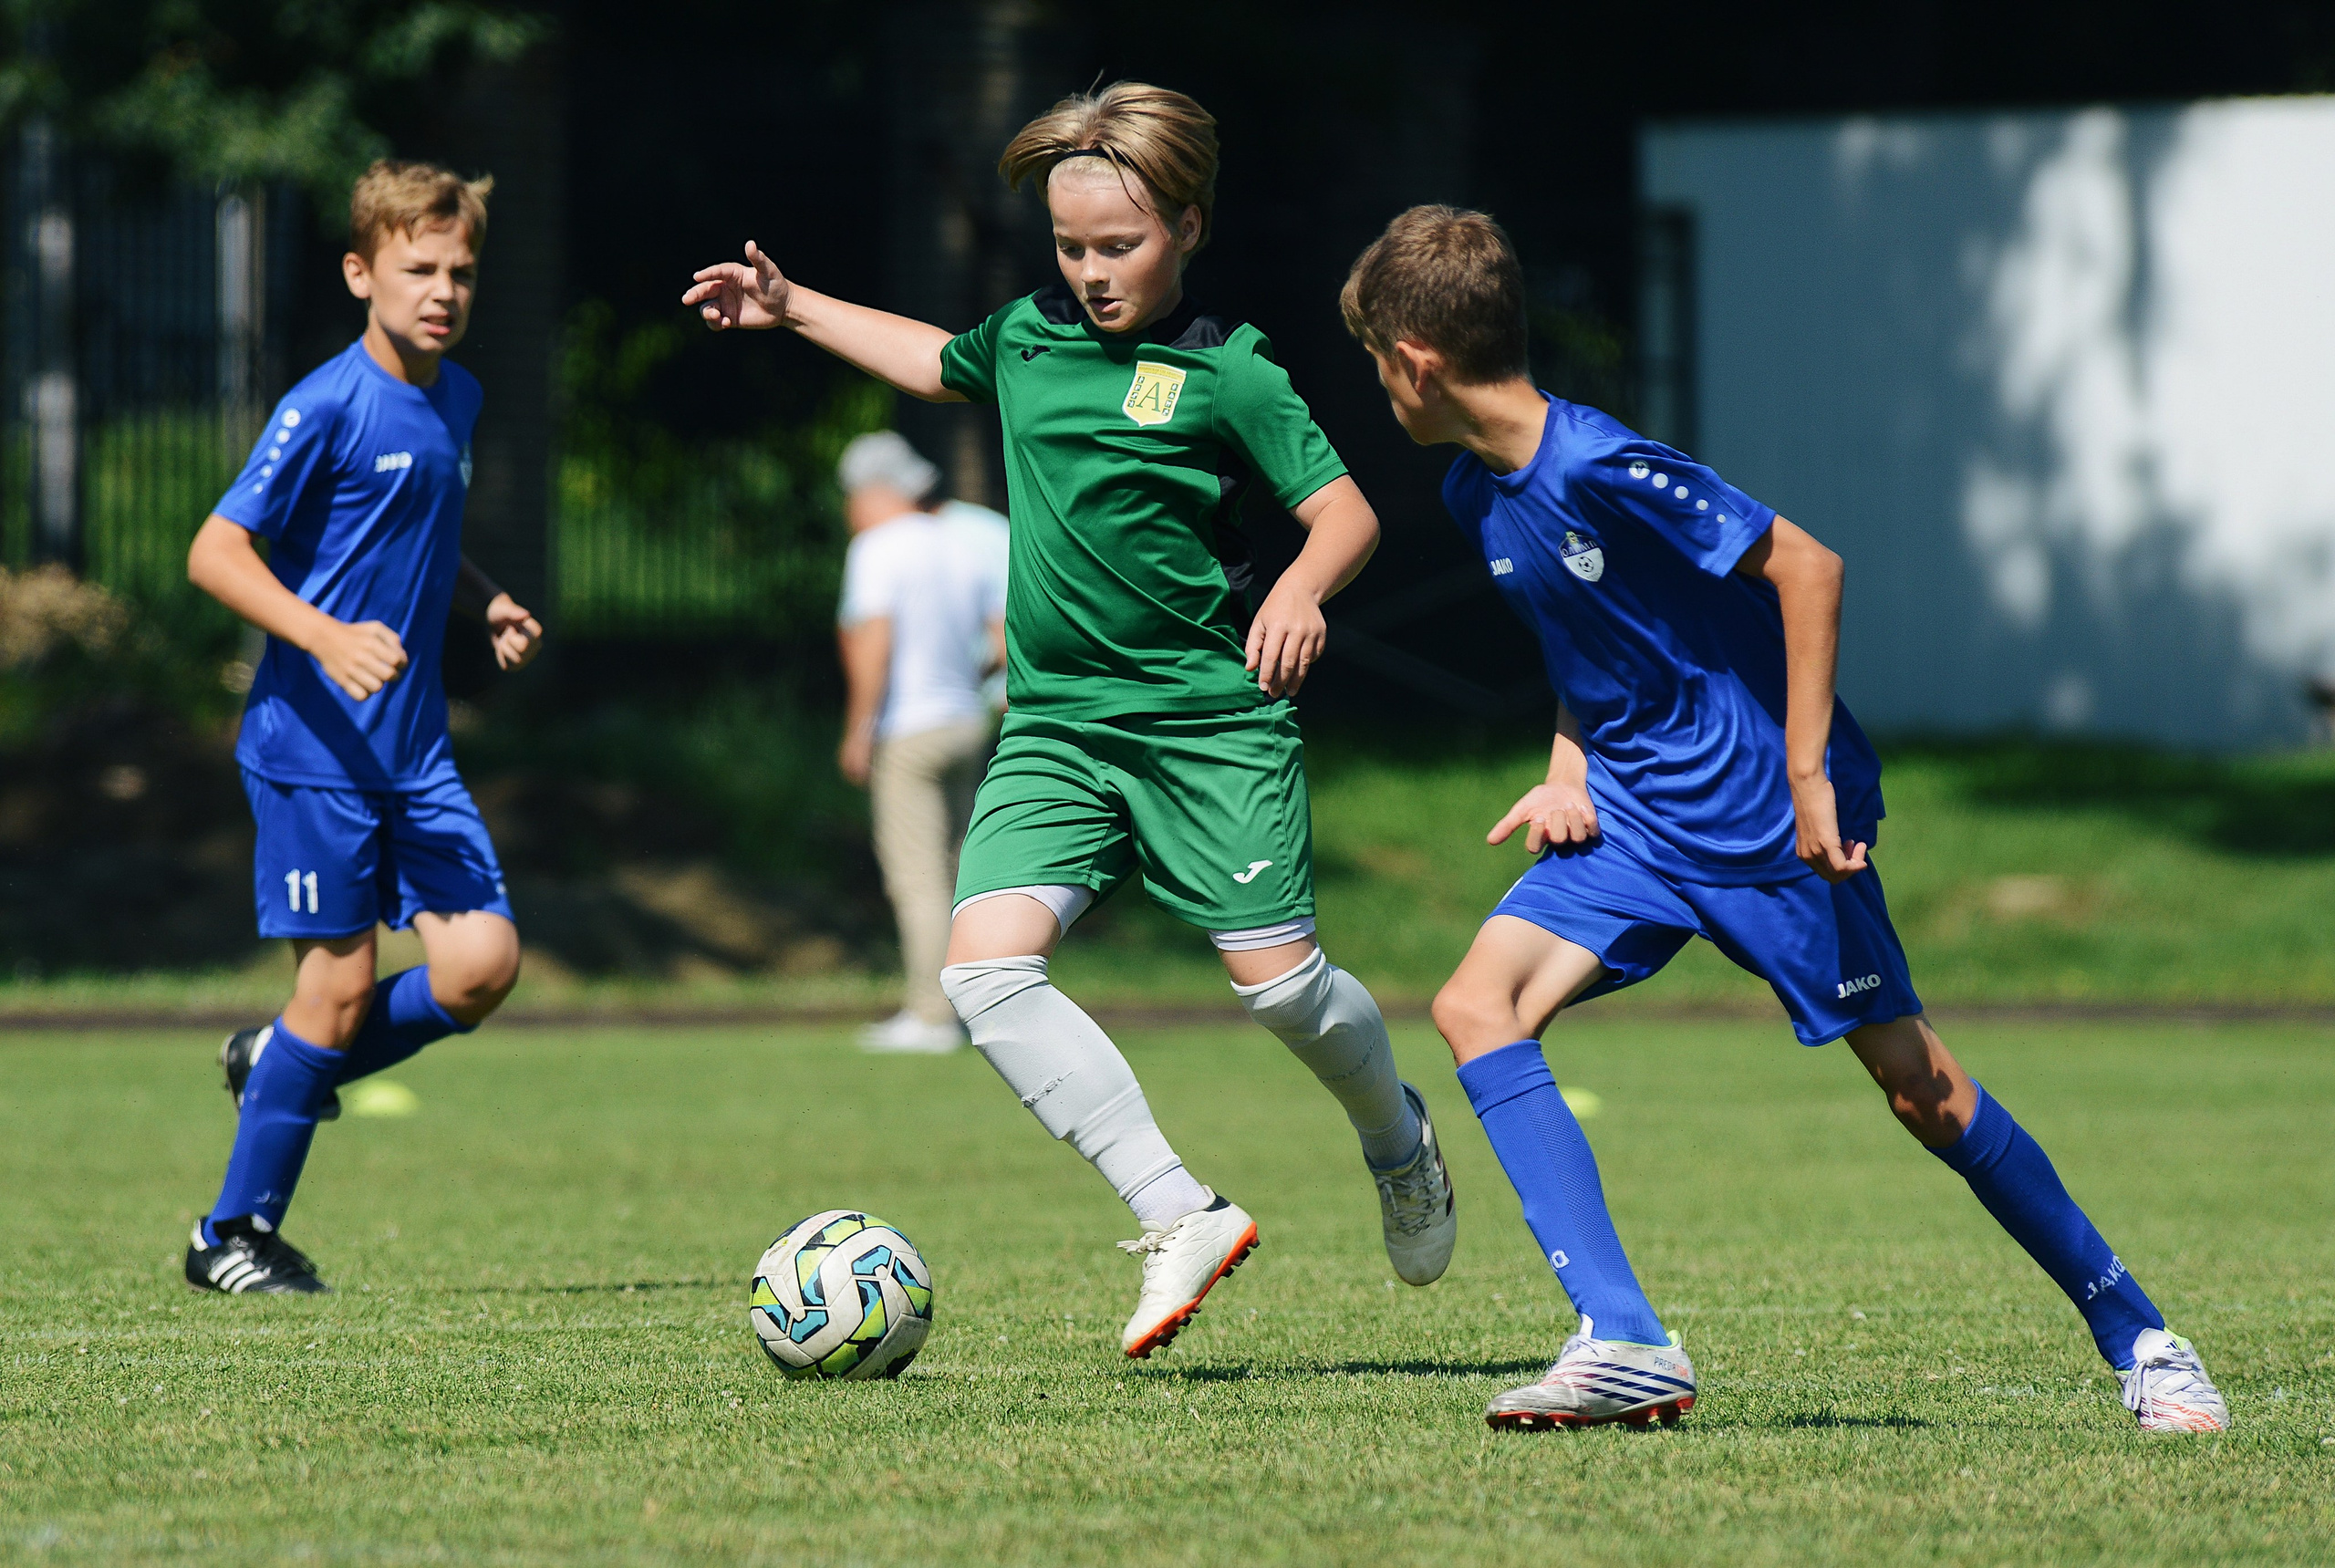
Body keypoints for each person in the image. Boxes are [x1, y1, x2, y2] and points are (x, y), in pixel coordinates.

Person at [1341, 205, 2230, 1434]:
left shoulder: (1598, 460)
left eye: (1373, 356)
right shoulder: (1475, 491)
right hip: (1637, 821)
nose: (1374, 381)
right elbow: (1595, 645)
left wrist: (1810, 779)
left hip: (1764, 819)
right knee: (1474, 1005)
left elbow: (1809, 566)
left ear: (1416, 359)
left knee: (1922, 1087)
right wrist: (1566, 766)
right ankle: (1626, 1337)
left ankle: (2144, 1336)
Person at [687, 82, 1457, 1357]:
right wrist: (792, 304)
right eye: (1070, 247)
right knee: (983, 970)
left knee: (1281, 996)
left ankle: (1398, 1138)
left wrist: (1307, 592)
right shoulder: (1028, 338)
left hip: (1209, 725)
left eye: (1120, 247)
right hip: (1056, 727)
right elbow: (932, 359)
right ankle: (1179, 1210)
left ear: (1190, 227)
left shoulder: (1230, 367)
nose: (1091, 274)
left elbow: (1348, 514)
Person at [179, 161, 543, 1294]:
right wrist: (325, 637)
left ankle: (282, 1059)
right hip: (312, 751)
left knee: (482, 964)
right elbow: (215, 551)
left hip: (413, 748)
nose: (442, 290)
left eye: (461, 272)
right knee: (334, 988)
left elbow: (411, 538)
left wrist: (479, 595)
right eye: (417, 269)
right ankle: (230, 1238)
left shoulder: (458, 398)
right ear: (360, 272)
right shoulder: (325, 402)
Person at [835, 430, 1009, 1054]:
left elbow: (873, 644)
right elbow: (1001, 637)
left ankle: (932, 1014)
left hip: (909, 727)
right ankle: (971, 1004)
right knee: (958, 871)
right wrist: (966, 680)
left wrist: (859, 727)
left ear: (872, 492)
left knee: (917, 878)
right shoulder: (956, 541)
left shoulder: (877, 547)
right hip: (966, 721)